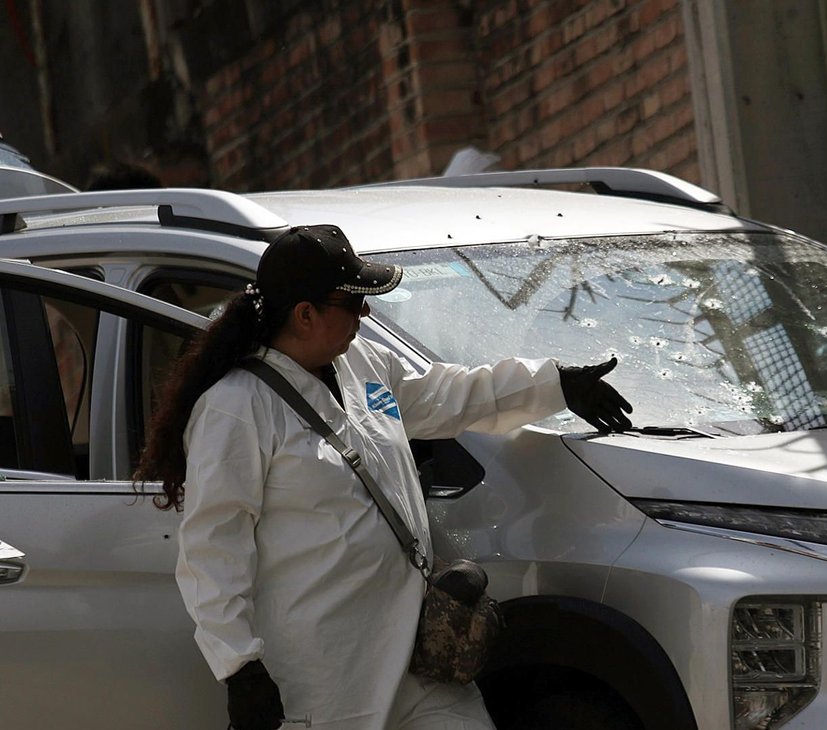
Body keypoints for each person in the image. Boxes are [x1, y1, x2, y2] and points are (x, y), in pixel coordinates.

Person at [134, 224, 633, 730]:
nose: (365, 314)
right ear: (305, 315)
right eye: (352, 303)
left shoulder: (364, 365)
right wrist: (238, 665)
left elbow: (448, 395)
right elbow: (212, 548)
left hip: (418, 654)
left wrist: (553, 383)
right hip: (324, 678)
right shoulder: (236, 408)